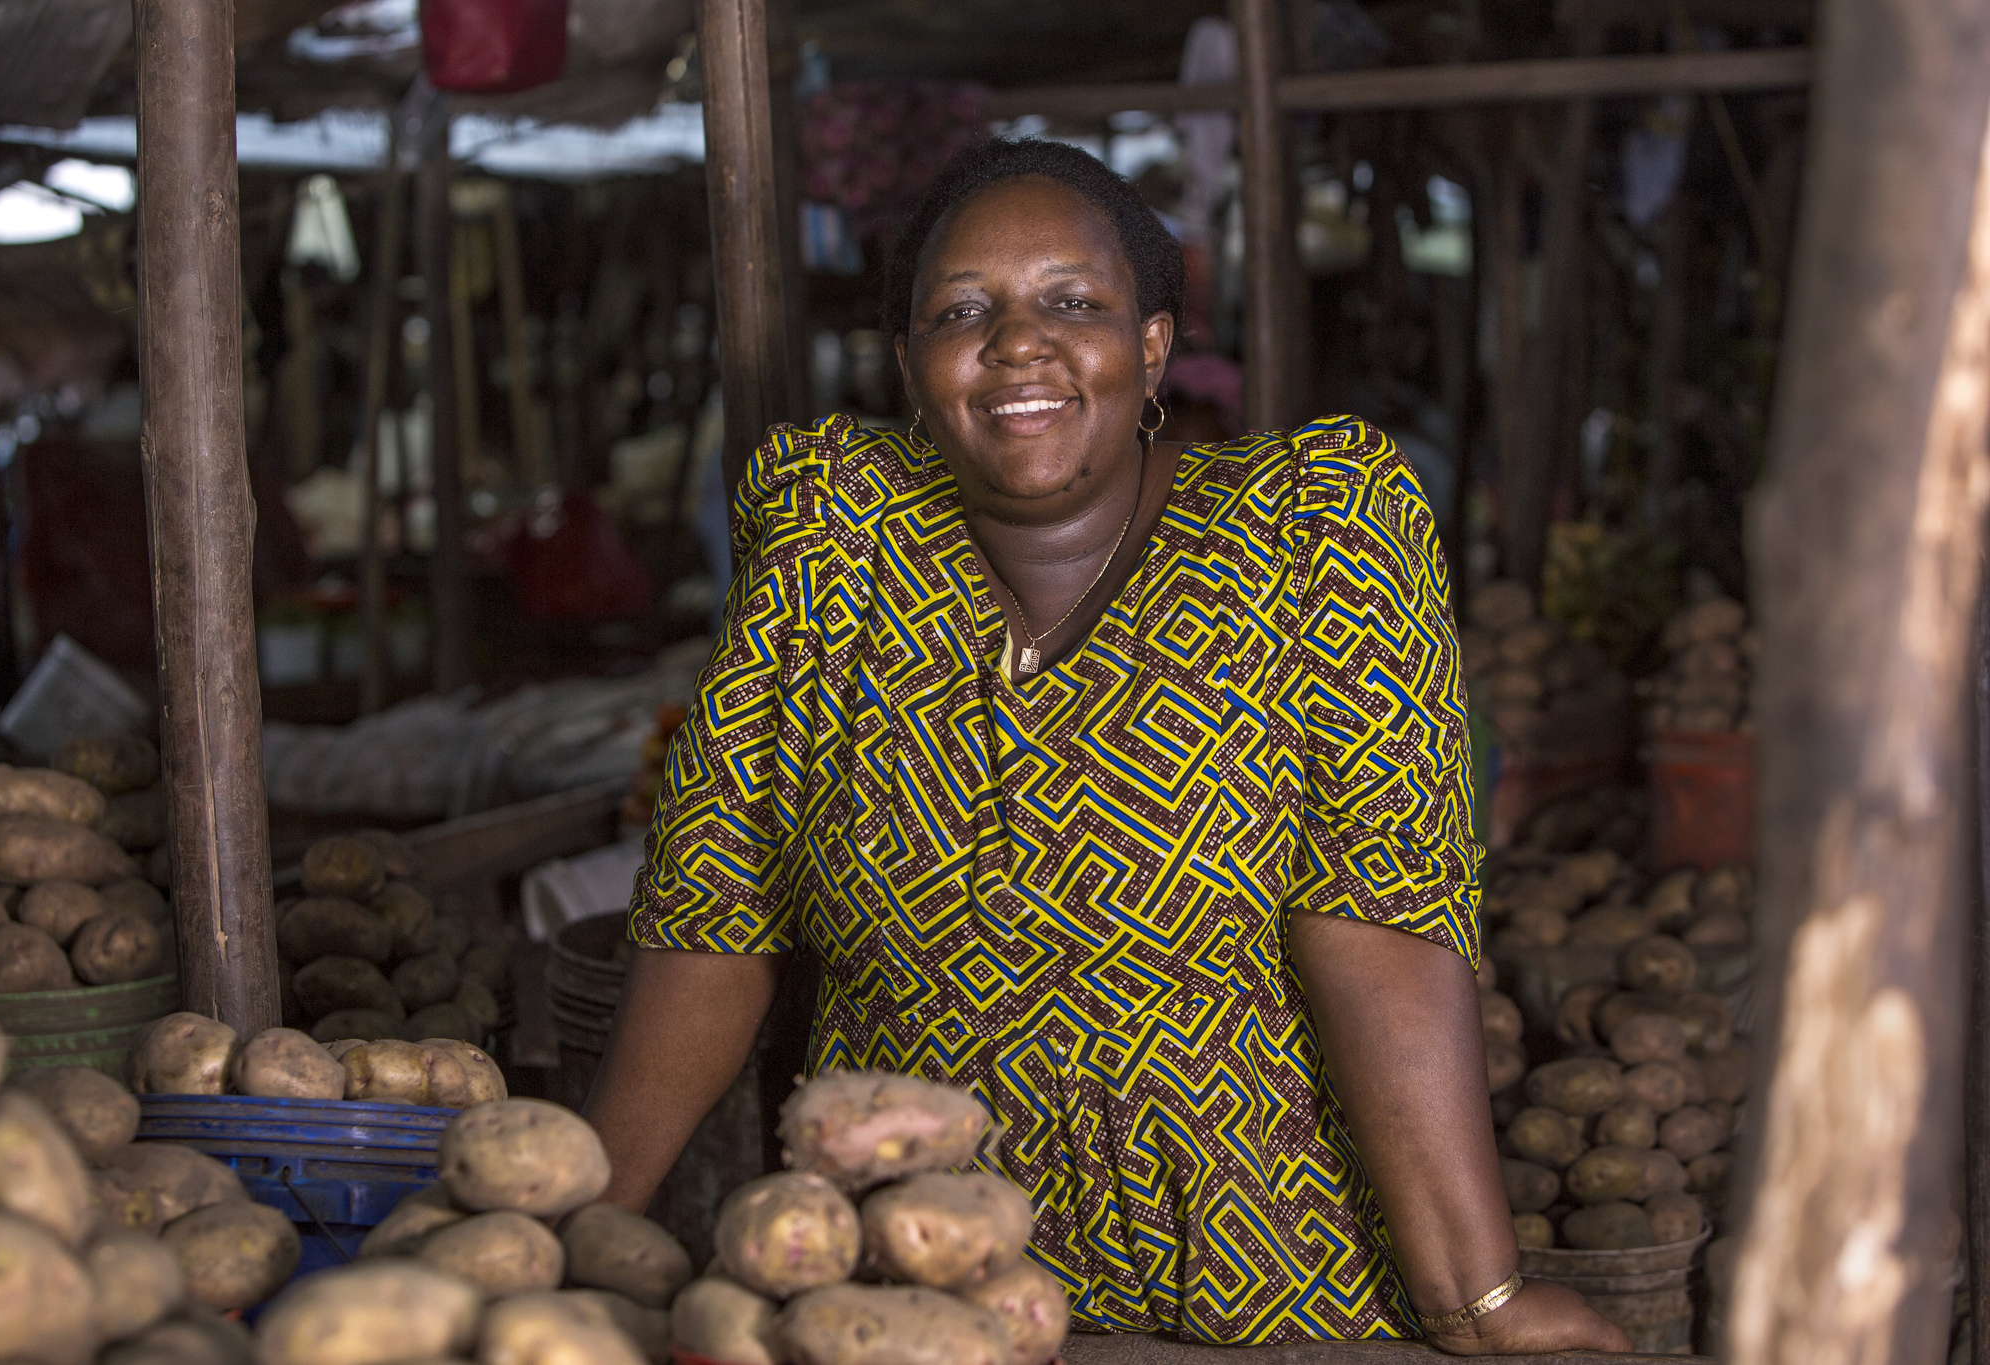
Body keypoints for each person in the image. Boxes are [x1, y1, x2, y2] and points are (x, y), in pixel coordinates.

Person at [584, 138, 1629, 1354]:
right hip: (910, 1274)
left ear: (1149, 344)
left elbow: (1379, 924)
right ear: (912, 366)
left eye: (1071, 304)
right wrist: (567, 1223)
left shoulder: (1313, 541)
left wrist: (1473, 1296)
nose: (1016, 342)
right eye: (960, 312)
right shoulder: (834, 542)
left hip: (1254, 1284)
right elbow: (717, 906)